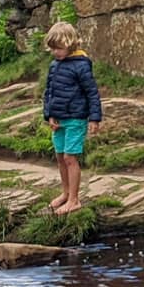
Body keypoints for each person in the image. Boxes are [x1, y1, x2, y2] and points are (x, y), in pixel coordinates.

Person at [41, 20, 101, 216]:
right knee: (60, 157)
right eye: (53, 49)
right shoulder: (54, 65)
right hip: (59, 119)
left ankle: (74, 200)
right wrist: (49, 115)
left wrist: (94, 118)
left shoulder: (81, 66)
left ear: (70, 44)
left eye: (59, 48)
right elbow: (49, 91)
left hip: (76, 118)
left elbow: (92, 92)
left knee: (70, 157)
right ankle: (66, 193)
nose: (56, 52)